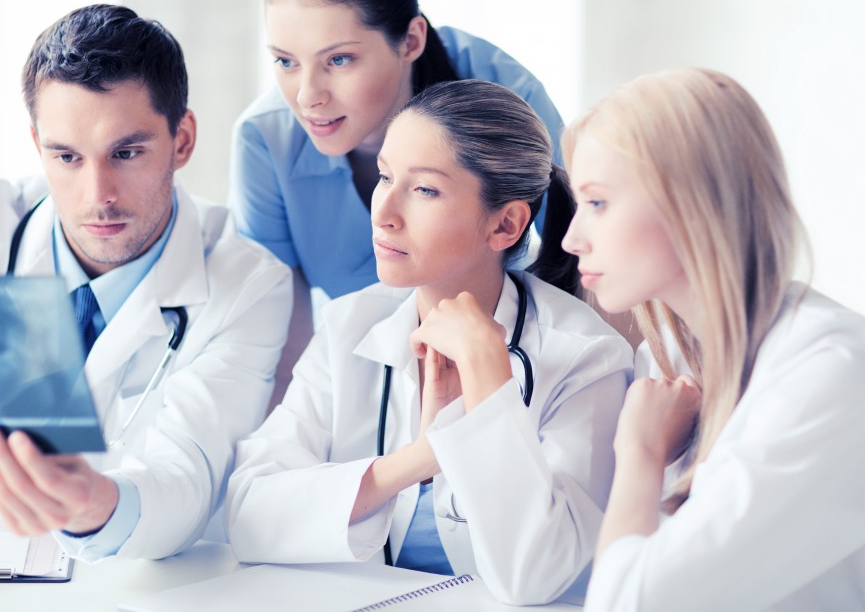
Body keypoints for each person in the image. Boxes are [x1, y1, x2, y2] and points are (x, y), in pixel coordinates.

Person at [0, 4, 292, 562]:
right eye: (66, 156)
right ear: (37, 146)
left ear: (182, 140)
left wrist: (93, 506)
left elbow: (191, 472)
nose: (96, 194)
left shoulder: (246, 283)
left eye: (126, 153)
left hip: (120, 590)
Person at [228, 80, 633, 605]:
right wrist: (421, 457)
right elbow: (248, 516)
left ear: (506, 224)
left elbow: (536, 574)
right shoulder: (350, 325)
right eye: (385, 178)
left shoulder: (586, 358)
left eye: (423, 190)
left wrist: (491, 385)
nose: (384, 212)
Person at [560, 67, 865, 611]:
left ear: (691, 202)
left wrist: (640, 450)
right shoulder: (670, 356)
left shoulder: (832, 373)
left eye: (598, 203)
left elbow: (629, 603)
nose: (571, 238)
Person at [229, 0, 567, 388]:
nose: (307, 96)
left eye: (338, 60)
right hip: (367, 382)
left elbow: (581, 262)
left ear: (410, 40)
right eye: (286, 61)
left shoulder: (507, 99)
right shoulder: (264, 141)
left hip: (514, 360)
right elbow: (279, 338)